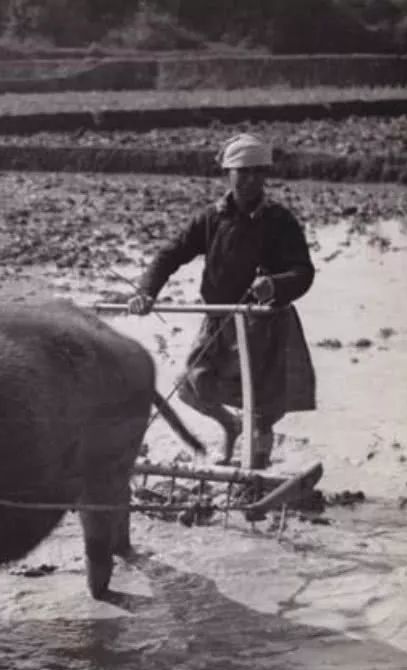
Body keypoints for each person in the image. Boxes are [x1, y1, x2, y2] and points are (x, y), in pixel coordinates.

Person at [127, 132, 317, 469]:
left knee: (261, 406)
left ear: (265, 176)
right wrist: (146, 291)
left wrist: (274, 285)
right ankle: (230, 426)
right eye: (242, 172)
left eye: (258, 172)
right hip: (219, 318)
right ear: (228, 173)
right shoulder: (212, 217)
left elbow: (303, 271)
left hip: (265, 323)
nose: (250, 179)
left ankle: (256, 475)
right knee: (192, 384)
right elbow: (172, 253)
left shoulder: (279, 220)